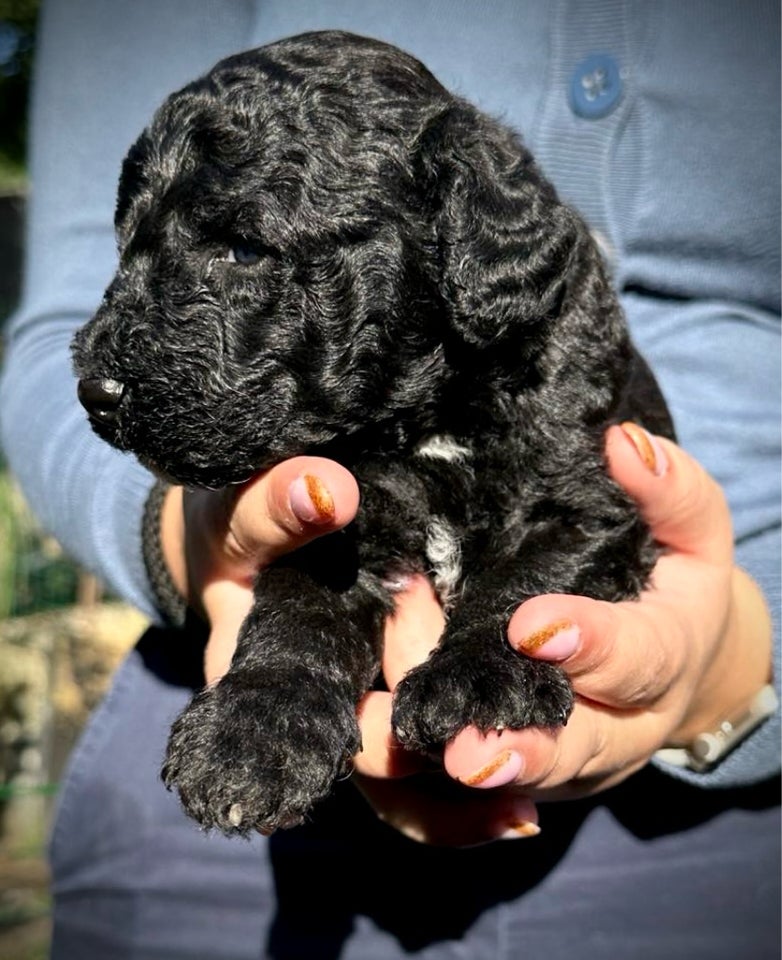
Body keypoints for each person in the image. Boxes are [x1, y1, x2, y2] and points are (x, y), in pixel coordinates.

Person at [0, 0, 778, 957]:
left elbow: (585, 510)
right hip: (221, 831)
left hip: (703, 825)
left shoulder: (542, 339)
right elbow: (48, 353)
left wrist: (742, 654)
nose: (109, 363)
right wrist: (206, 546)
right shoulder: (337, 394)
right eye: (143, 244)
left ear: (455, 240)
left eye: (244, 249)